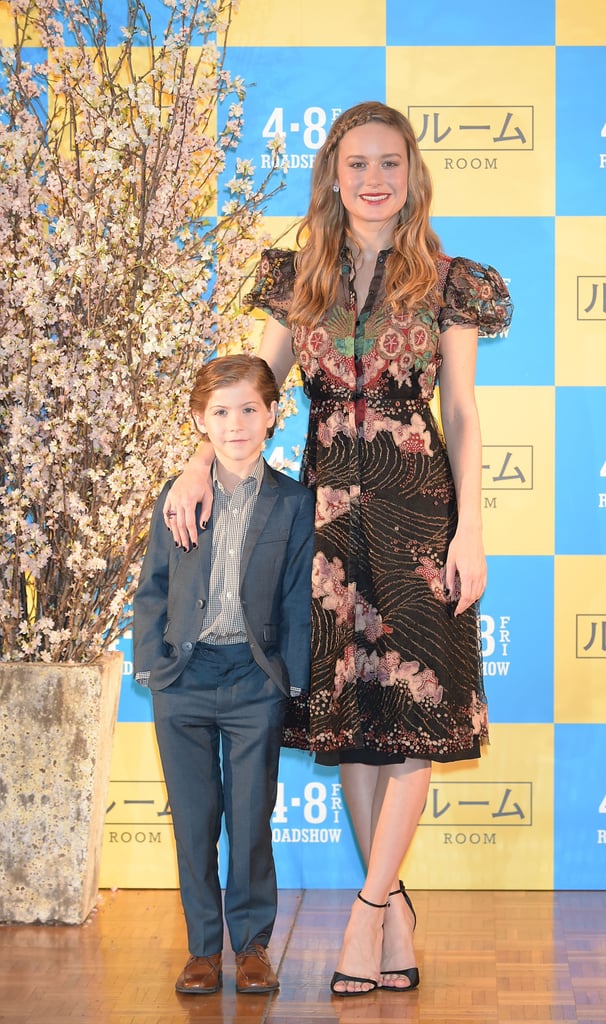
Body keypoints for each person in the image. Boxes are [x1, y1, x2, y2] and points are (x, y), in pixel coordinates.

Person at [163, 101, 513, 997]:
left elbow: (464, 413)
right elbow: (256, 386)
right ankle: (391, 911)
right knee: (358, 731)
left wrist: (472, 527)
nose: (372, 179)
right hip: (323, 522)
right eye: (355, 163)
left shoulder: (449, 280)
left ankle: (365, 912)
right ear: (332, 173)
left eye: (388, 162)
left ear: (411, 172)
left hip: (418, 517)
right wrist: (197, 464)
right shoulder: (297, 280)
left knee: (416, 723)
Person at [133, 354, 315, 996]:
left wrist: (288, 680)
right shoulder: (180, 493)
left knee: (250, 817)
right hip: (182, 677)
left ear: (271, 416)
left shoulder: (294, 502)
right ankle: (203, 949)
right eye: (219, 412)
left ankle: (254, 944)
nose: (234, 424)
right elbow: (153, 584)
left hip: (252, 679)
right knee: (193, 819)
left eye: (247, 410)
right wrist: (153, 663)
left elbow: (297, 596)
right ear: (199, 421)